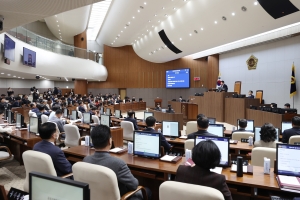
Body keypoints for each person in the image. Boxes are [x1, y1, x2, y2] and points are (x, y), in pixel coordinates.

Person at [83, 125, 151, 200]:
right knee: (147, 191)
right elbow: (134, 185)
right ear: (110, 141)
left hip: (93, 197)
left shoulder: (86, 160)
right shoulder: (118, 164)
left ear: (92, 141)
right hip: (119, 197)